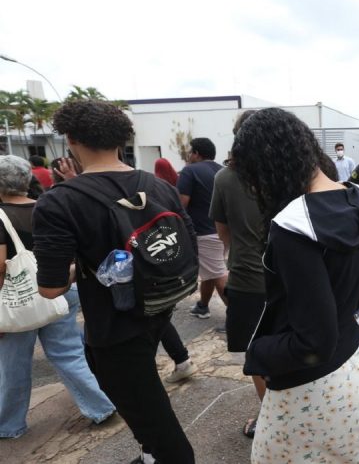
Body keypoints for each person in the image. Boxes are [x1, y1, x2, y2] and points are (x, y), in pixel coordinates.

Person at [231, 107, 359, 463]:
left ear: (266, 167)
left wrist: (256, 354)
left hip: (314, 388)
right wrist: (338, 308)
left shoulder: (292, 226)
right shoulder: (353, 196)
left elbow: (314, 343)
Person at [33, 99, 197, 463]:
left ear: (71, 139)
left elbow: (51, 288)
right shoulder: (157, 185)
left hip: (115, 328)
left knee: (155, 420)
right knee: (144, 403)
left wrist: (80, 268)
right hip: (159, 305)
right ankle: (150, 452)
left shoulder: (59, 202)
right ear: (122, 138)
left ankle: (162, 454)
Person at [0, 155, 116, 439]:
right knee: (69, 353)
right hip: (59, 288)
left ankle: (9, 425)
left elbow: (0, 266)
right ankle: (101, 406)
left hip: (19, 302)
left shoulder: (1, 215)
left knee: (13, 365)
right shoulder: (46, 206)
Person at [210, 109, 268, 438]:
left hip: (247, 278)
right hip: (292, 277)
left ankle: (270, 416)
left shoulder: (226, 178)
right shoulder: (290, 174)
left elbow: (222, 232)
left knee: (256, 351)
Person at [177, 138, 227, 319]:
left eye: (191, 152)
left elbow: (181, 204)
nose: (189, 156)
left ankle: (240, 319)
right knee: (210, 271)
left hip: (203, 232)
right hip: (223, 231)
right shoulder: (222, 170)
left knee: (218, 273)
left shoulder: (189, 171)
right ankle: (202, 306)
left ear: (197, 153)